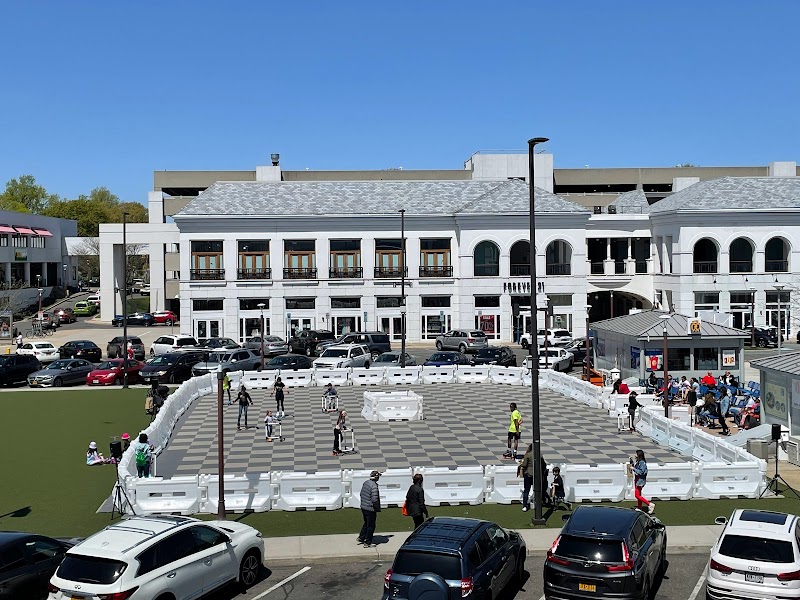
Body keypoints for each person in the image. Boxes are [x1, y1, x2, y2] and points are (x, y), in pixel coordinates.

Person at [358, 471, 381, 547]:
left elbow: (362, 494)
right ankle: (368, 542)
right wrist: (377, 507)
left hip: (363, 507)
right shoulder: (374, 486)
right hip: (370, 508)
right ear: (376, 477)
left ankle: (361, 537)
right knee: (371, 525)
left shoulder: (366, 483)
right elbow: (375, 499)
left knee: (366, 523)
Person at [629, 449, 654, 514]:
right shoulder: (639, 462)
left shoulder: (642, 462)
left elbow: (641, 472)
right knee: (639, 494)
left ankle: (649, 504)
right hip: (637, 479)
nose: (635, 455)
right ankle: (639, 507)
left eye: (636, 454)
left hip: (640, 480)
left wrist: (633, 468)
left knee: (637, 495)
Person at [517, 444, 534, 512]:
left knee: (526, 490)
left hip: (528, 474)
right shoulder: (539, 455)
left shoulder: (527, 455)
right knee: (537, 490)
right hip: (536, 475)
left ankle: (525, 505)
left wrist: (521, 463)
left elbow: (524, 465)